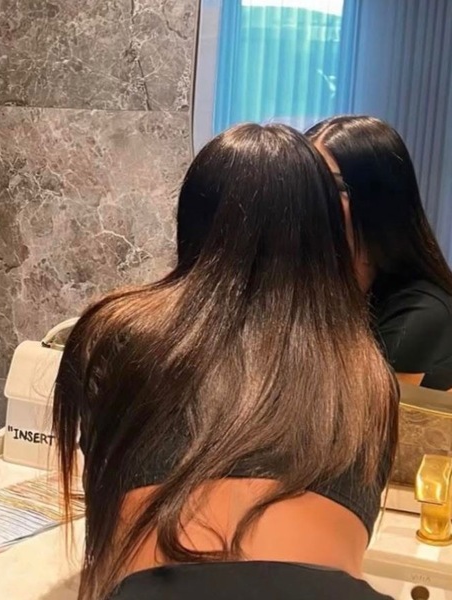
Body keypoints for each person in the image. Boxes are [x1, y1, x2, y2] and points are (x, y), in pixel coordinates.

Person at [52, 123, 398, 600]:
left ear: (194, 219)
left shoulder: (118, 334)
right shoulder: (366, 374)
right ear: (328, 232)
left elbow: (107, 505)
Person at [307, 116, 452, 392]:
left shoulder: (421, 311)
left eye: (334, 187)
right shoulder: (309, 283)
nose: (313, 199)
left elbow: (353, 410)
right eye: (308, 183)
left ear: (378, 200)